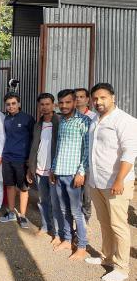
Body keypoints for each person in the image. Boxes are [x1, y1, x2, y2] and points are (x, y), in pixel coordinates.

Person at [85, 83, 137, 281]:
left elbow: (130, 152)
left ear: (112, 98)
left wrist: (119, 179)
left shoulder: (125, 121)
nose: (98, 101)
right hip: (97, 181)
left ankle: (122, 268)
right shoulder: (95, 121)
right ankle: (107, 256)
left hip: (116, 183)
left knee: (118, 225)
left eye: (102, 97)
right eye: (95, 98)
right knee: (104, 223)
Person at [50, 89, 90, 260]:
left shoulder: (84, 121)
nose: (64, 105)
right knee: (64, 209)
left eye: (68, 102)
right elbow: (59, 147)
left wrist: (81, 172)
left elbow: (86, 150)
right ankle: (67, 239)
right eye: (61, 102)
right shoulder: (62, 121)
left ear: (75, 102)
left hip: (74, 175)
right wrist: (53, 168)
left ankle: (81, 246)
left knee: (76, 211)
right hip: (60, 172)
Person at [27, 93, 63, 245]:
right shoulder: (38, 124)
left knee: (57, 202)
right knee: (43, 200)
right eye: (42, 104)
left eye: (48, 104)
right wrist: (31, 167)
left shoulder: (60, 121)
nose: (45, 107)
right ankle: (45, 225)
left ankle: (57, 232)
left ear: (53, 105)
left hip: (54, 169)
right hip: (40, 169)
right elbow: (34, 147)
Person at [0, 92, 35, 228]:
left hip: (22, 159)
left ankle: (23, 216)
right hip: (7, 157)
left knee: (23, 188)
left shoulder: (28, 119)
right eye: (8, 104)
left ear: (19, 104)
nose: (11, 106)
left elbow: (34, 140)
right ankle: (12, 213)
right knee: (10, 185)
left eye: (13, 103)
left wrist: (30, 160)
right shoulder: (6, 119)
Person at [75, 88, 96, 226]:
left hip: (88, 162)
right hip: (73, 160)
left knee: (87, 195)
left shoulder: (94, 117)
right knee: (74, 193)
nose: (79, 99)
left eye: (82, 96)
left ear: (87, 99)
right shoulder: (70, 116)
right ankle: (76, 221)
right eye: (76, 97)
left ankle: (86, 219)